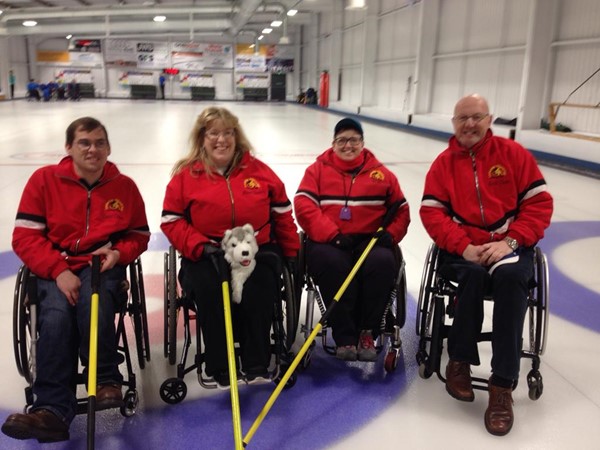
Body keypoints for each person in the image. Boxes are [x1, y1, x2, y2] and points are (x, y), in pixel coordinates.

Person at [1, 117, 150, 443]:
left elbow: (139, 234)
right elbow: (25, 238)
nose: (92, 149)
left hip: (102, 264)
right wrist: (58, 270)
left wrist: (120, 254)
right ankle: (51, 411)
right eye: (84, 142)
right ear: (69, 147)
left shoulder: (123, 187)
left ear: (108, 148)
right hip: (55, 264)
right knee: (54, 318)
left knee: (93, 305)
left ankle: (106, 378)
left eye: (99, 143)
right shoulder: (44, 181)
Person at [419, 94, 553, 436]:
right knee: (472, 278)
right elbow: (432, 213)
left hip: (509, 246)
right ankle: (460, 361)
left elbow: (538, 206)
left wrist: (510, 241)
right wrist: (463, 247)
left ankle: (502, 386)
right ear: (453, 123)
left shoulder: (514, 156)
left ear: (489, 119)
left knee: (511, 281)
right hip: (463, 250)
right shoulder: (443, 165)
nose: (469, 124)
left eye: (476, 117)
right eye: (462, 118)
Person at [161, 106, 299, 388]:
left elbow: (283, 214)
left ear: (237, 137)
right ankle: (220, 363)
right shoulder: (186, 176)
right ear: (202, 138)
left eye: (227, 133)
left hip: (255, 250)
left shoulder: (259, 172)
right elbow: (171, 221)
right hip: (206, 253)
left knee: (259, 287)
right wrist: (200, 246)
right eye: (213, 133)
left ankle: (256, 360)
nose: (221, 139)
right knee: (212, 289)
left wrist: (292, 253)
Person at [294, 117, 410, 362]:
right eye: (342, 140)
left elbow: (401, 210)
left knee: (381, 264)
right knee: (330, 263)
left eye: (354, 140)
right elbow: (304, 205)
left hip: (370, 240)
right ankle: (345, 335)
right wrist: (331, 235)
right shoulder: (317, 170)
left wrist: (390, 235)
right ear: (333, 143)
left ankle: (368, 331)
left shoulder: (382, 174)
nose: (348, 145)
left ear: (363, 143)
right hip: (331, 240)